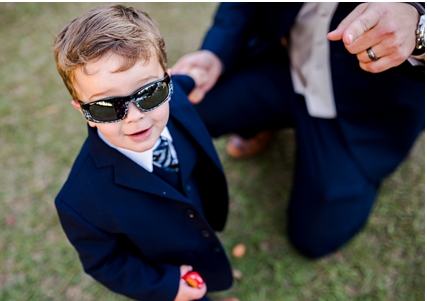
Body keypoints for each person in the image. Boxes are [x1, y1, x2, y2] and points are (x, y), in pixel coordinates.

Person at [172, 3, 425, 258]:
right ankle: (263, 121)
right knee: (188, 110)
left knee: (315, 237)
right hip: (285, 63)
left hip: (364, 105)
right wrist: (215, 53)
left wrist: (418, 28)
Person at [53, 5, 241, 301]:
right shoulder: (79, 202)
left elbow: (185, 82)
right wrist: (166, 285)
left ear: (165, 80)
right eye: (107, 106)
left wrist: (196, 76)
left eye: (149, 92)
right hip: (163, 266)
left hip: (198, 220)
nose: (135, 116)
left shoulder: (176, 96)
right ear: (83, 110)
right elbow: (105, 262)